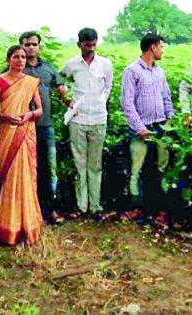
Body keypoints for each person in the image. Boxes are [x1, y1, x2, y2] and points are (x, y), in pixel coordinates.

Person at [0, 45, 43, 245]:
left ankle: (27, 224)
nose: (20, 60)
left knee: (25, 177)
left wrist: (28, 115)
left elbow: (39, 110)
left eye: (23, 57)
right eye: (16, 57)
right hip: (6, 133)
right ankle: (7, 226)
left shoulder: (30, 82)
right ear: (8, 60)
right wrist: (5, 116)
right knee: (9, 178)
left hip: (24, 132)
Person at [121, 33, 174, 225]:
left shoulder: (160, 72)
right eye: (161, 47)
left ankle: (158, 210)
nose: (163, 50)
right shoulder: (132, 71)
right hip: (140, 130)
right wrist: (140, 127)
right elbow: (127, 104)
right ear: (153, 47)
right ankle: (136, 208)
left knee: (159, 169)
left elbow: (167, 98)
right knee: (137, 169)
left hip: (160, 128)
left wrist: (170, 121)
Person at [61, 28, 113, 219]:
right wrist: (67, 100)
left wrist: (102, 101)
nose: (90, 48)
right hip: (78, 120)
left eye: (93, 44)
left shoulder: (105, 64)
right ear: (79, 44)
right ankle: (81, 206)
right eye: (86, 44)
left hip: (99, 119)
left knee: (95, 164)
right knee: (79, 164)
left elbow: (108, 86)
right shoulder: (71, 64)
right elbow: (60, 80)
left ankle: (96, 206)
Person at [19, 31, 67, 224]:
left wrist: (70, 102)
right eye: (27, 44)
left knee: (49, 169)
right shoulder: (17, 68)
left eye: (34, 44)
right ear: (21, 46)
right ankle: (28, 211)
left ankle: (50, 210)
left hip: (45, 127)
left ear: (39, 46)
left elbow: (62, 90)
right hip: (23, 128)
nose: (31, 47)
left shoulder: (48, 68)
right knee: (27, 169)